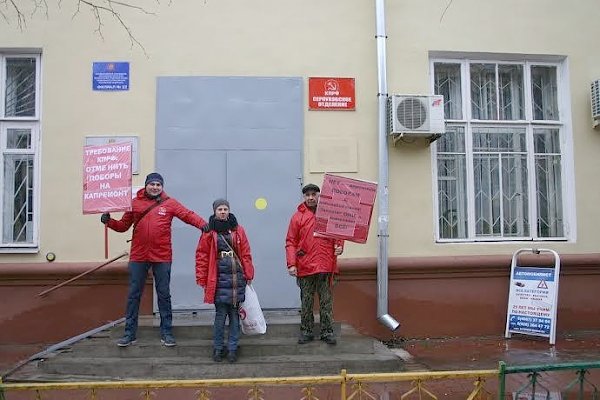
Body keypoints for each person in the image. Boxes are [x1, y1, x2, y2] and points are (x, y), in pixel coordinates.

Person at [101, 172, 208, 348]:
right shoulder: (134, 203)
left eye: (159, 185)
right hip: (138, 256)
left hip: (162, 256)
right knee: (134, 295)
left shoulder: (170, 203)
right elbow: (123, 226)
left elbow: (188, 215)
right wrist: (109, 221)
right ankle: (129, 334)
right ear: (146, 185)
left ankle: (166, 333)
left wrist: (203, 225)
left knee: (164, 294)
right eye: (152, 184)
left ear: (162, 187)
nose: (155, 187)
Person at [195, 199, 255, 363]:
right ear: (214, 211)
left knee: (234, 315)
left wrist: (248, 274)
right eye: (220, 209)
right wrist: (202, 279)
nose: (223, 211)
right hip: (218, 279)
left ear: (229, 210)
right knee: (220, 315)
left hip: (237, 278)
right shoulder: (209, 232)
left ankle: (233, 349)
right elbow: (202, 256)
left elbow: (246, 253)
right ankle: (218, 348)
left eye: (225, 209)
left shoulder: (238, 229)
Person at [285, 183, 344, 345]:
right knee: (307, 301)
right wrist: (291, 264)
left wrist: (340, 246)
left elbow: (338, 234)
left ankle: (327, 332)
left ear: (319, 196)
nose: (310, 197)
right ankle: (306, 331)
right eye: (307, 195)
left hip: (326, 265)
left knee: (326, 301)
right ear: (304, 197)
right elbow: (290, 241)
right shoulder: (297, 217)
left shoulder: (328, 215)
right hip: (305, 266)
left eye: (314, 194)